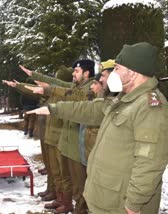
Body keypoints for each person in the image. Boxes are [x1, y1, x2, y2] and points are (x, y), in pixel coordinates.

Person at [27, 42, 168, 214]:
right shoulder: (125, 98)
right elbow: (92, 109)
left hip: (122, 205)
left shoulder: (150, 106)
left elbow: (150, 163)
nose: (112, 74)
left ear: (133, 72)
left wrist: (134, 204)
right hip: (106, 198)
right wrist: (53, 109)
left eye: (117, 68)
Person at [21, 60, 95, 214]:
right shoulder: (77, 86)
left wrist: (49, 89)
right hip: (67, 141)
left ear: (87, 73)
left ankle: (80, 210)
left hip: (78, 144)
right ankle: (68, 203)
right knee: (68, 178)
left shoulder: (90, 89)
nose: (74, 74)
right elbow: (56, 82)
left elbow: (71, 93)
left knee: (80, 184)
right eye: (73, 71)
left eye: (77, 71)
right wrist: (33, 75)